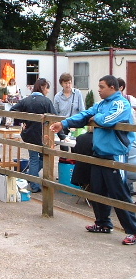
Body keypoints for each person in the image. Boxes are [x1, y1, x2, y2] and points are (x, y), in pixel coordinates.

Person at [50, 75, 136, 245]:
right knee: (97, 189)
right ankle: (103, 223)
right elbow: (85, 114)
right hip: (99, 152)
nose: (99, 90)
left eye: (102, 87)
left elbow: (108, 120)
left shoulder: (121, 104)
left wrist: (96, 119)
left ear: (112, 87)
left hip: (114, 154)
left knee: (119, 193)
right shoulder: (102, 104)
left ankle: (133, 229)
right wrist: (65, 123)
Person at [10, 78, 57, 193]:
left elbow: (12, 110)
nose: (48, 91)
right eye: (47, 88)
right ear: (43, 87)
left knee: (34, 158)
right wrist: (62, 134)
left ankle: (31, 175)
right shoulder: (46, 101)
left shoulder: (26, 100)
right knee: (41, 158)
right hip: (43, 134)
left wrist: (22, 121)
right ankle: (33, 182)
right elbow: (55, 118)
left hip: (29, 134)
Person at [53, 73, 85, 151]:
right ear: (62, 84)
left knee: (75, 148)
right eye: (65, 83)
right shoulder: (57, 96)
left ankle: (74, 162)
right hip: (63, 125)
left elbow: (82, 110)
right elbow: (55, 113)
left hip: (75, 125)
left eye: (69, 83)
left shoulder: (77, 93)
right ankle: (65, 162)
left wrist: (79, 124)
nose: (68, 85)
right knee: (64, 148)